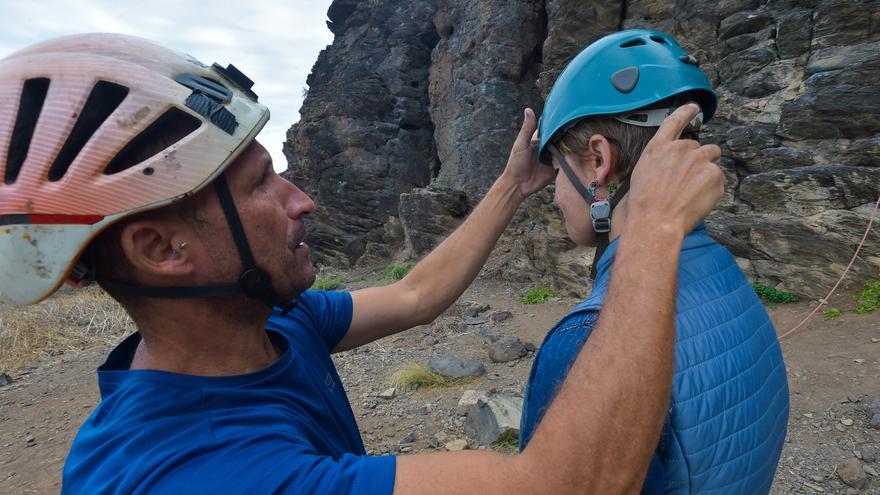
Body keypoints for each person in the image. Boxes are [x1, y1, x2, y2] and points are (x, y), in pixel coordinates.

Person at [0, 33, 724, 494]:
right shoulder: (192, 471)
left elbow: (415, 294)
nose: (302, 199)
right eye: (260, 186)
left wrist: (511, 186)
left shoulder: (271, 323)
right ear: (161, 250)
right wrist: (652, 227)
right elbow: (570, 485)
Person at [519, 29, 790, 494]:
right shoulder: (723, 269)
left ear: (599, 160)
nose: (554, 195)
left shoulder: (584, 341)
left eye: (557, 172)